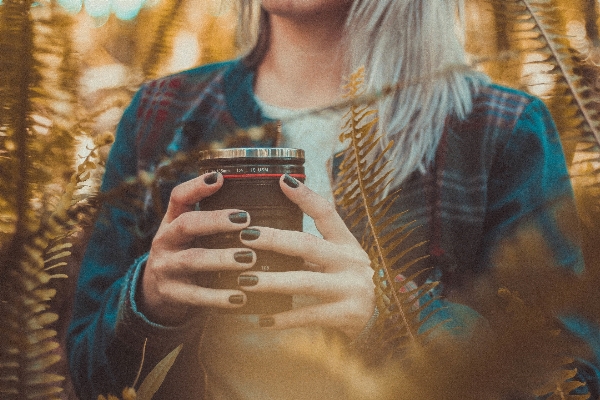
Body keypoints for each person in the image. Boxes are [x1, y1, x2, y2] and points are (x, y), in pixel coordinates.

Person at [66, 0, 591, 399]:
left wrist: (393, 315)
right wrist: (146, 300)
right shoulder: (162, 114)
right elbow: (79, 372)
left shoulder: (501, 129)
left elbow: (572, 377)